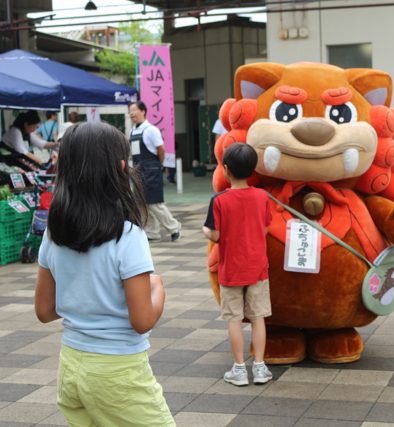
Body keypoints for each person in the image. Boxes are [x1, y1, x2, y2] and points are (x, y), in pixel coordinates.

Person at [34, 121, 175, 426]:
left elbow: (45, 311)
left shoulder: (53, 233)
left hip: (71, 366)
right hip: (118, 372)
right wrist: (158, 288)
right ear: (121, 168)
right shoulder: (127, 235)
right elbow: (142, 321)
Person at [202, 143, 273, 387]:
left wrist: (204, 230)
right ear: (253, 169)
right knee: (258, 318)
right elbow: (264, 229)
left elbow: (215, 235)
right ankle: (261, 368)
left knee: (234, 319)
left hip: (231, 269)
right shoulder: (262, 196)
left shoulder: (219, 200)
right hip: (257, 268)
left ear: (226, 170)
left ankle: (239, 370)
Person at [129, 101, 181, 243]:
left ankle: (174, 227)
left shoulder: (151, 130)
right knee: (141, 203)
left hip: (151, 170)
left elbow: (161, 149)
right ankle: (153, 232)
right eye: (130, 111)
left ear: (143, 111)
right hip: (137, 172)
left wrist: (160, 165)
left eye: (134, 110)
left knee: (154, 204)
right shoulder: (132, 131)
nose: (131, 113)